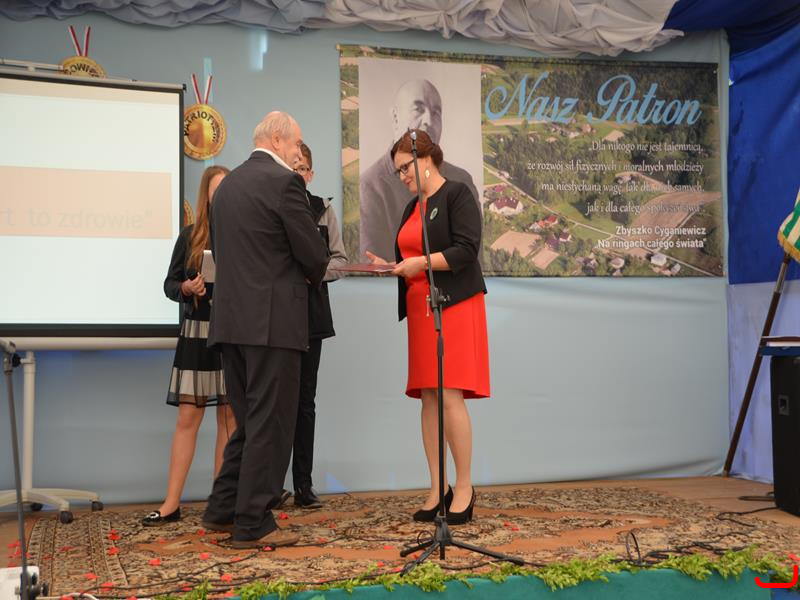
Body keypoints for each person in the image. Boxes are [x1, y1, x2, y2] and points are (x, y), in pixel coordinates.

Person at [201, 112, 330, 548]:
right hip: (273, 324)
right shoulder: (286, 183)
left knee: (251, 422)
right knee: (270, 424)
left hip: (230, 322)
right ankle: (252, 522)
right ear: (277, 139)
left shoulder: (228, 186)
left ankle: (223, 508)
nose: (298, 151)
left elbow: (224, 254)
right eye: (296, 143)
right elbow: (314, 256)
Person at [367, 129, 489, 525]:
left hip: (454, 305)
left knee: (450, 394)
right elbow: (411, 255)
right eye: (398, 170)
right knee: (429, 398)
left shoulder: (457, 194)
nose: (402, 176)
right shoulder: (410, 207)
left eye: (405, 167)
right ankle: (438, 488)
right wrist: (391, 266)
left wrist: (419, 263)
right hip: (420, 309)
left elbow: (466, 250)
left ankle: (465, 487)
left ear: (426, 159)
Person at [143, 165, 237, 527]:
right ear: (206, 196)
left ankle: (220, 501)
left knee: (229, 417)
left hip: (230, 332)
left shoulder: (242, 234)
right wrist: (187, 288)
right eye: (217, 190)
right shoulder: (190, 236)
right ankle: (171, 504)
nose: (222, 195)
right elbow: (169, 284)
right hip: (197, 333)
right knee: (187, 417)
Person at [285, 143, 348, 509]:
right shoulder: (273, 207)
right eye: (292, 168)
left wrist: (316, 273)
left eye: (303, 168)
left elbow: (339, 260)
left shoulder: (323, 210)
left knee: (304, 402)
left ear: (310, 174)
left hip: (311, 318)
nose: (298, 174)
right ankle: (267, 487)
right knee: (276, 402)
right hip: (276, 317)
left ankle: (303, 485)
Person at [359, 79, 480, 262]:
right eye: (418, 109)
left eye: (436, 112)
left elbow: (470, 253)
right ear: (395, 118)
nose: (429, 121)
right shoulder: (370, 185)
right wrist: (392, 267)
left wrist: (420, 264)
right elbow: (374, 260)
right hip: (404, 281)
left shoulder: (461, 182)